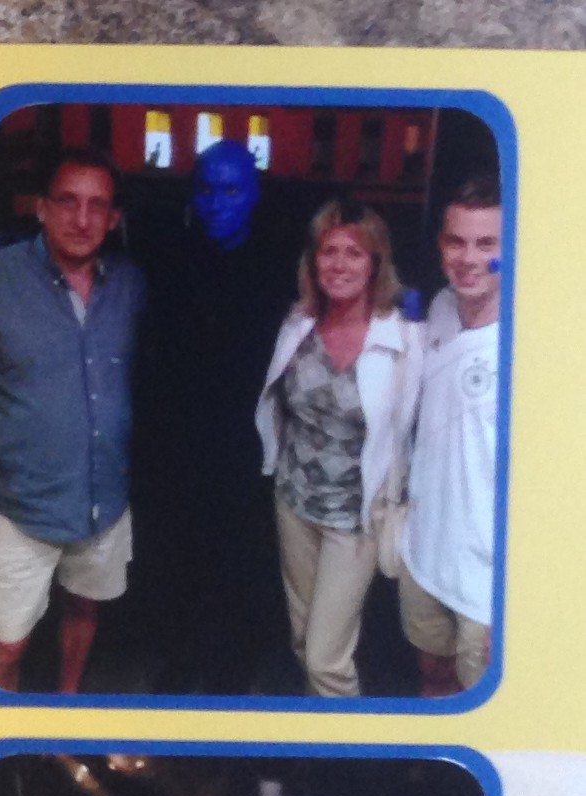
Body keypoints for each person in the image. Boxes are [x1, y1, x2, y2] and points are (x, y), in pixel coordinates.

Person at [127, 138, 307, 694]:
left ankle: (233, 668)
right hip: (177, 442)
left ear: (253, 196)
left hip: (245, 446)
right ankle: (182, 660)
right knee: (179, 558)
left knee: (241, 562)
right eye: (205, 189)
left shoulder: (280, 268)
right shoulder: (167, 258)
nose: (215, 202)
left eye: (230, 190)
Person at [0, 150, 142, 693]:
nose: (82, 219)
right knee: (5, 646)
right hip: (20, 505)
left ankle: (65, 711)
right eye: (67, 202)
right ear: (41, 208)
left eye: (97, 206)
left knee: (84, 609)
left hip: (102, 500)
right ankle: (1, 738)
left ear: (113, 218)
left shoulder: (130, 285)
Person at [258, 198, 424, 699]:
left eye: (354, 253)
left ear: (376, 263)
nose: (339, 264)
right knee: (302, 639)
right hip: (294, 503)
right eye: (329, 251)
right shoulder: (299, 322)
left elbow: (415, 433)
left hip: (355, 520)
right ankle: (316, 737)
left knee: (326, 659)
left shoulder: (405, 339)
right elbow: (278, 407)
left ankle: (348, 748)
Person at [400, 177, 504, 696]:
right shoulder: (439, 308)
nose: (468, 258)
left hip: (488, 578)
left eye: (486, 244)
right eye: (456, 242)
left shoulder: (531, 339)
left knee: (480, 702)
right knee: (433, 678)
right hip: (426, 548)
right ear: (441, 245)